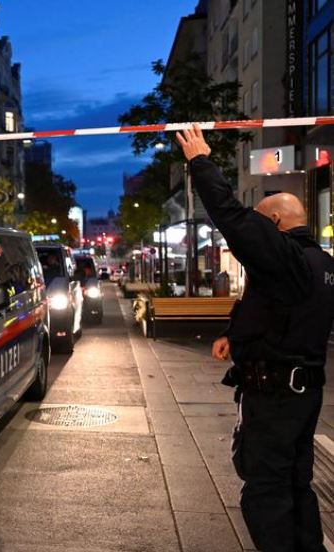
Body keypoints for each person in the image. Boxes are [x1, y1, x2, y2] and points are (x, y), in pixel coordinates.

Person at [178, 124, 334, 552]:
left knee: (265, 492)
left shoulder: (287, 259)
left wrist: (200, 161)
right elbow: (276, 308)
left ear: (277, 223)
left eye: (263, 226)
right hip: (304, 393)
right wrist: (235, 333)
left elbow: (230, 215)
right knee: (295, 484)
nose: (256, 237)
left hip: (277, 396)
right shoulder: (319, 264)